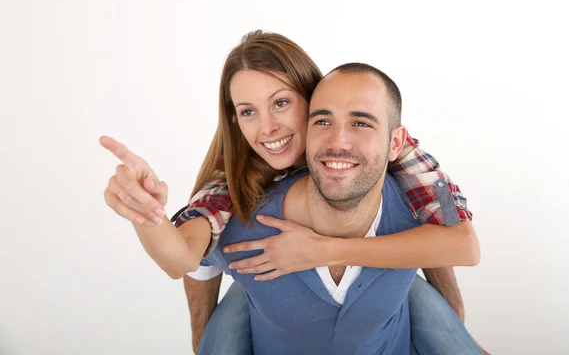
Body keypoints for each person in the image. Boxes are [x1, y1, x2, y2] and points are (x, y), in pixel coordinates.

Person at [101, 31, 487, 354]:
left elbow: (444, 233)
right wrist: (147, 214)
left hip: (385, 296)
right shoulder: (237, 184)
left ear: (312, 96)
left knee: (410, 291)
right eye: (248, 112)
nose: (267, 128)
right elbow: (187, 260)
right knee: (242, 297)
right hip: (264, 286)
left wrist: (455, 331)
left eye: (281, 103)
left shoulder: (391, 151)